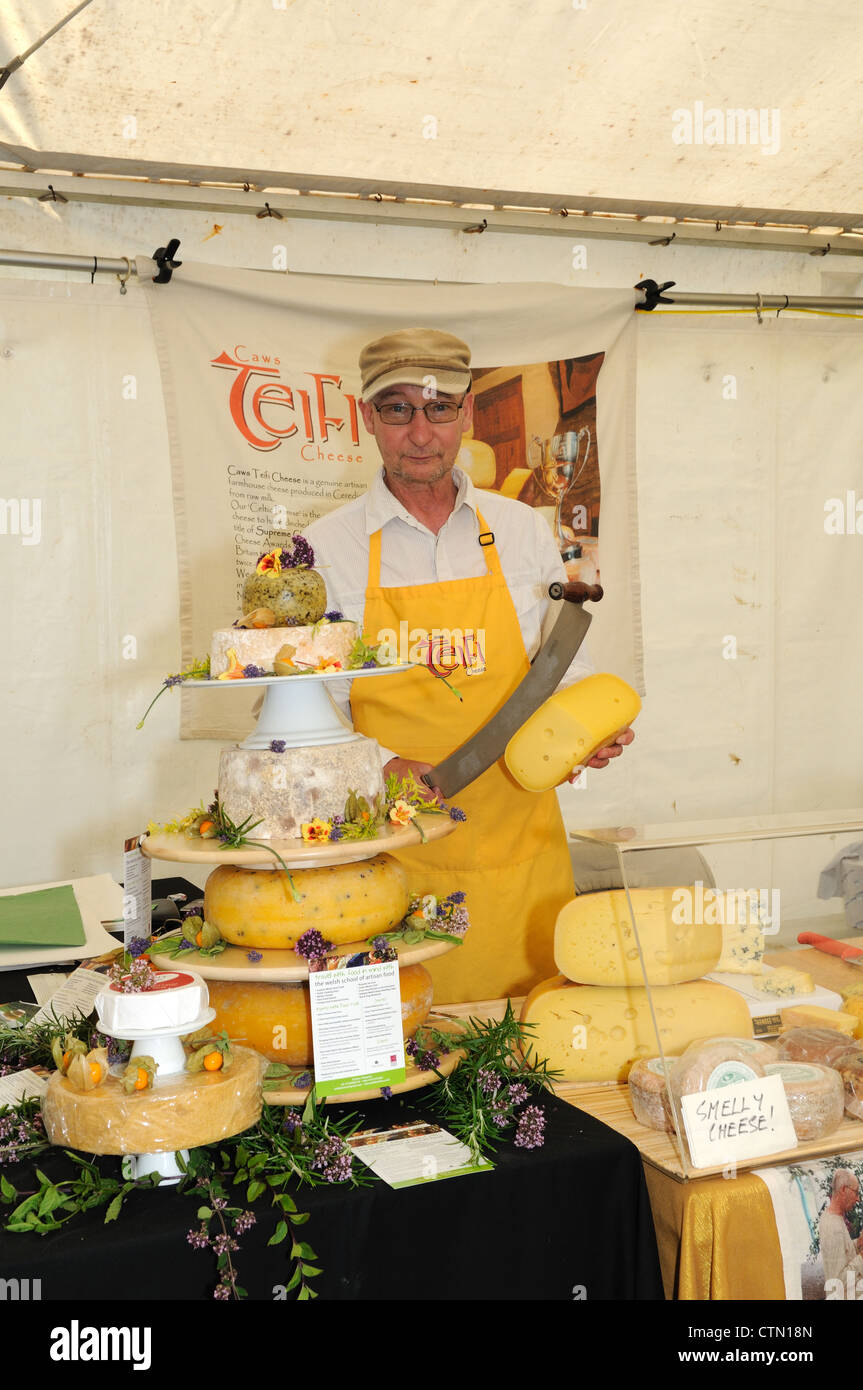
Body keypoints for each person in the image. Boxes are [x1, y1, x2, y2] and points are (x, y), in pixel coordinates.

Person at [304, 327, 634, 1003]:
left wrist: (584, 732)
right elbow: (300, 709)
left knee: (530, 1045)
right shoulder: (321, 548)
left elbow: (559, 664)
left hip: (521, 845)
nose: (419, 433)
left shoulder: (520, 529)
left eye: (438, 408)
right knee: (408, 1046)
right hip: (387, 848)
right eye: (397, 410)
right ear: (366, 418)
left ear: (467, 415)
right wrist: (380, 765)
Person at [818, 1169, 863, 1287]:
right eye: (856, 1192)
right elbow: (837, 1282)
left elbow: (843, 1252)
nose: (858, 1198)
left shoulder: (835, 1218)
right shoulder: (832, 1227)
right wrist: (861, 1257)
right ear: (843, 1190)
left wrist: (858, 1243)